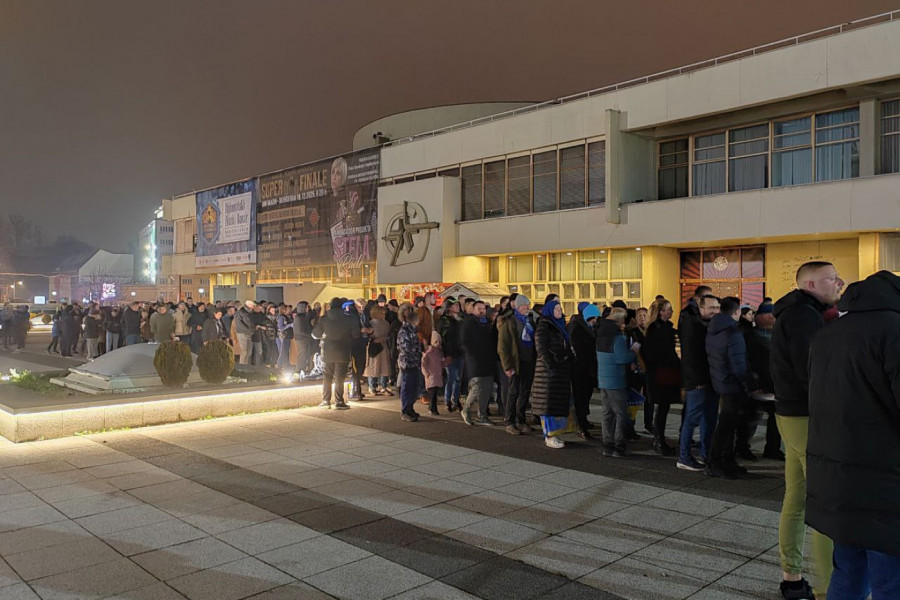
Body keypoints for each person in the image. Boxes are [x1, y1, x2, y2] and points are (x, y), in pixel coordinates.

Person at [807, 271, 900, 600]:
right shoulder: (893, 331)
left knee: (848, 571)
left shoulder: (828, 333)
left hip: (837, 478)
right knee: (891, 580)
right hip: (886, 482)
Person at [771, 261, 843, 600]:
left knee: (797, 499)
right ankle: (830, 587)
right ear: (811, 284)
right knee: (824, 503)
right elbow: (811, 369)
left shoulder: (797, 312)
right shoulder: (804, 317)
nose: (839, 283)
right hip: (806, 418)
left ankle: (792, 578)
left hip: (790, 414)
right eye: (832, 279)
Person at [705, 296, 757, 479]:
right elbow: (739, 365)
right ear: (736, 312)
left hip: (720, 381)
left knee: (727, 424)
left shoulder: (713, 329)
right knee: (726, 426)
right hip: (732, 385)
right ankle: (716, 461)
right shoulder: (733, 332)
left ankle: (726, 460)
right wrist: (751, 384)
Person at [677, 294, 720, 471]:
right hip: (698, 381)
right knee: (692, 419)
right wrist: (697, 381)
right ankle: (684, 457)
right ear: (700, 308)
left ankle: (706, 454)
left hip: (708, 380)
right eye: (712, 308)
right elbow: (692, 357)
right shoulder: (692, 326)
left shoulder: (704, 325)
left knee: (709, 419)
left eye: (717, 307)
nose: (715, 311)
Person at [596, 307, 638, 457]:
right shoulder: (618, 337)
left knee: (607, 413)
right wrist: (634, 350)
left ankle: (607, 445)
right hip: (616, 380)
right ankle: (619, 446)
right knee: (621, 413)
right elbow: (622, 358)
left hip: (603, 379)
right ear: (620, 320)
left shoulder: (600, 334)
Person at [532, 300, 574, 449]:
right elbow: (541, 349)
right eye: (556, 308)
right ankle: (549, 436)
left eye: (560, 308)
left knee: (555, 404)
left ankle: (555, 434)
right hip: (548, 373)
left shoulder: (560, 325)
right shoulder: (544, 325)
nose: (559, 310)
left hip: (559, 371)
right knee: (547, 405)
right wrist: (550, 365)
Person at [642, 298, 681, 455]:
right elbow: (659, 353)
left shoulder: (664, 328)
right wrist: (676, 363)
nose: (671, 311)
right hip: (661, 373)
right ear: (661, 312)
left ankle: (659, 439)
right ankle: (659, 440)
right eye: (668, 309)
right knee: (663, 406)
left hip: (663, 372)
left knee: (664, 407)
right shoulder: (657, 330)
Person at [498, 295, 537, 436]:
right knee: (513, 392)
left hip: (529, 361)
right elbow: (503, 346)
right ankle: (510, 421)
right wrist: (507, 366)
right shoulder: (509, 323)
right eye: (524, 306)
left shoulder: (530, 321)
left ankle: (521, 420)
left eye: (528, 305)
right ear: (518, 307)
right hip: (516, 362)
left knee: (525, 392)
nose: (526, 308)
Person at [312, 298, 360, 410]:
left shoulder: (324, 319)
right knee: (340, 377)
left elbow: (316, 334)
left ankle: (326, 401)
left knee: (327, 377)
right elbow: (356, 334)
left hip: (328, 350)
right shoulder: (349, 319)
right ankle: (339, 401)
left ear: (330, 306)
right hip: (343, 350)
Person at [459, 300, 497, 426]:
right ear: (473, 309)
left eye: (483, 308)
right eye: (479, 308)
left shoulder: (487, 323)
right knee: (478, 386)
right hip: (475, 359)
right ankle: (466, 409)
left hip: (488, 359)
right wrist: (471, 355)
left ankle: (482, 415)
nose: (481, 310)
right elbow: (464, 341)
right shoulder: (468, 322)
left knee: (487, 387)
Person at [567, 304, 599, 439]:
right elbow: (577, 348)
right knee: (580, 397)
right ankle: (581, 425)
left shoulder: (589, 327)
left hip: (589, 367)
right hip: (580, 368)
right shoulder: (577, 327)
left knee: (586, 396)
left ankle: (583, 421)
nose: (596, 321)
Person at [396, 303, 423, 421]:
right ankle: (405, 410)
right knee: (407, 387)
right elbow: (405, 347)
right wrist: (417, 352)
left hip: (415, 362)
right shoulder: (404, 330)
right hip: (407, 362)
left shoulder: (413, 329)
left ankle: (410, 408)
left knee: (414, 387)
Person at [437, 298, 464, 412]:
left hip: (460, 352)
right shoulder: (444, 320)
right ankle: (447, 400)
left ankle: (455, 399)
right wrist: (445, 354)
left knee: (458, 378)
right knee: (451, 377)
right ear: (449, 308)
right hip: (449, 353)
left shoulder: (461, 319)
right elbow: (441, 338)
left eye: (458, 305)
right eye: (454, 305)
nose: (457, 306)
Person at [363, 305, 392, 396]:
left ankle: (374, 387)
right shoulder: (383, 323)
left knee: (375, 367)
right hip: (379, 347)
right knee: (382, 367)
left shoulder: (372, 323)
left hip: (376, 347)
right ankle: (380, 386)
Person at [293, 302, 314, 375]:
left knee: (305, 354)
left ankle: (303, 368)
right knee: (302, 354)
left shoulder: (305, 316)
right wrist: (311, 335)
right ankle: (299, 370)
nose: (308, 308)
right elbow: (300, 330)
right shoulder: (299, 317)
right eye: (307, 307)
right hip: (301, 339)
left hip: (305, 338)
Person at [234, 300, 256, 365]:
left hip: (249, 333)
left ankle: (246, 365)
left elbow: (252, 322)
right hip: (242, 333)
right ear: (248, 305)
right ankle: (242, 366)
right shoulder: (240, 312)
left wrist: (252, 330)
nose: (253, 307)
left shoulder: (251, 313)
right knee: (244, 351)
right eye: (252, 305)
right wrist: (248, 330)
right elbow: (239, 324)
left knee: (249, 351)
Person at [276, 305, 293, 372]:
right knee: (283, 351)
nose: (290, 311)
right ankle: (279, 365)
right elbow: (280, 327)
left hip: (288, 336)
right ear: (284, 310)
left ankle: (286, 365)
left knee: (286, 351)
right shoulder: (281, 317)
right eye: (288, 309)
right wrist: (290, 325)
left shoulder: (289, 317)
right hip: (283, 336)